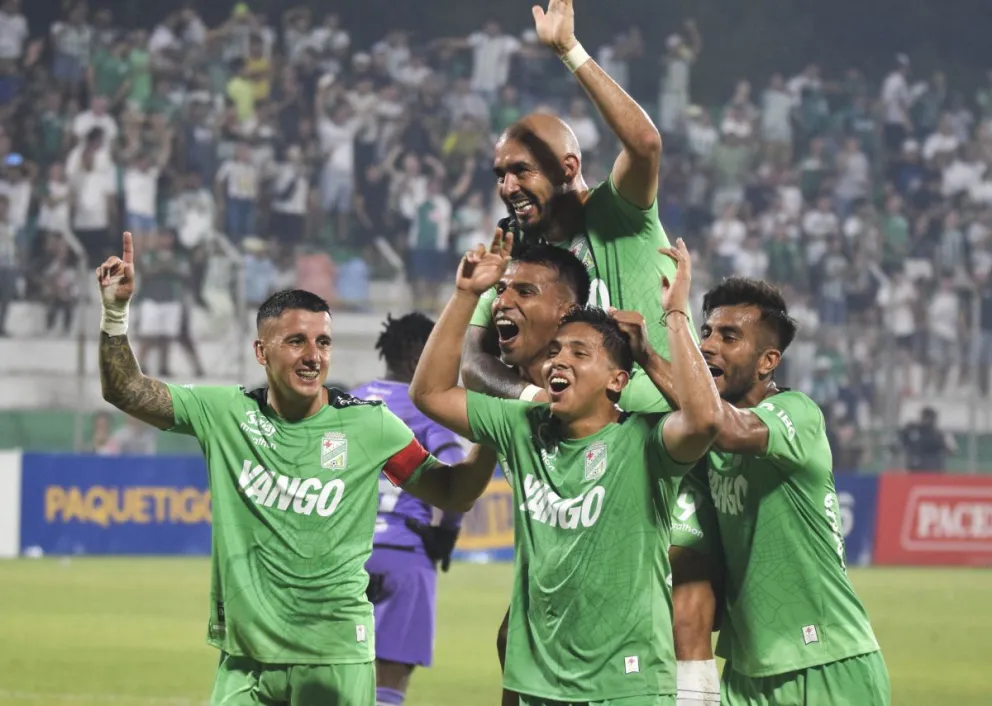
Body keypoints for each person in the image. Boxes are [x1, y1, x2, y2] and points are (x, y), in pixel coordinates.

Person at [95, 231, 498, 706]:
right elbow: (127, 390)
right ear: (261, 352)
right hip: (244, 660)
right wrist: (115, 314)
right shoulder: (224, 413)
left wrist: (494, 430)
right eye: (296, 342)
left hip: (334, 658)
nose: (314, 356)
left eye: (323, 342)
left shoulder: (368, 424)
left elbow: (452, 492)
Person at [460, 1, 721, 701]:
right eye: (499, 175)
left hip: (661, 444)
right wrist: (529, 396)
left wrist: (571, 52)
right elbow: (476, 355)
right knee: (518, 637)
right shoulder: (530, 263)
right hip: (574, 460)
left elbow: (646, 145)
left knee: (689, 602)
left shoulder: (621, 214)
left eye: (520, 171)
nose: (506, 186)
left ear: (568, 166)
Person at [409, 230, 725, 706]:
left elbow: (705, 421)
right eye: (557, 351)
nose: (560, 360)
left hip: (627, 686)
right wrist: (464, 296)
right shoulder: (523, 424)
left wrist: (675, 317)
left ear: (618, 379)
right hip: (537, 683)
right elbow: (430, 393)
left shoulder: (644, 440)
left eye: (581, 354)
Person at [639, 276, 890, 705]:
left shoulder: (798, 412)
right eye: (707, 332)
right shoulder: (705, 452)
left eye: (730, 336)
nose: (709, 345)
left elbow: (728, 428)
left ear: (767, 361)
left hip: (827, 662)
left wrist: (649, 351)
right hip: (746, 672)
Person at [349, 313, 468, 706]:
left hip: (346, 555)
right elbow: (455, 467)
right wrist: (447, 532)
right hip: (404, 550)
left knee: (340, 673)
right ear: (416, 353)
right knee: (390, 681)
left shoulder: (348, 402)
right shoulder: (425, 407)